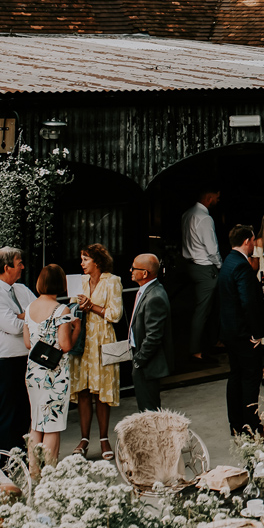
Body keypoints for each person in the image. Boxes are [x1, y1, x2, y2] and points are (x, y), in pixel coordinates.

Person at [0, 247, 38, 454]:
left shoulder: (22, 289)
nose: (22, 266)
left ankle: (19, 459)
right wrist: (26, 316)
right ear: (7, 267)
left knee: (23, 412)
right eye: (19, 262)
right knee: (3, 414)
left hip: (26, 360)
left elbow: (39, 313)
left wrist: (23, 316)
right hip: (3, 363)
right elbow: (14, 326)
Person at [23, 264, 81, 475]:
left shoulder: (29, 309)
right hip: (54, 374)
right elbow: (65, 345)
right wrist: (77, 330)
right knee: (52, 424)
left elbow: (28, 343)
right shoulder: (62, 310)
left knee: (36, 422)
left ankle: (34, 472)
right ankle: (49, 474)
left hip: (33, 371)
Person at [69, 244, 123, 462]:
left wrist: (92, 307)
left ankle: (103, 438)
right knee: (83, 390)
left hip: (102, 339)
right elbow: (71, 310)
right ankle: (84, 440)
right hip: (83, 340)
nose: (81, 263)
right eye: (81, 259)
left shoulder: (113, 281)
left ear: (97, 262)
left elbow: (115, 314)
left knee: (102, 392)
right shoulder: (78, 281)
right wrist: (78, 308)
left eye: (85, 259)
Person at [218, 224, 264, 435]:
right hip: (244, 334)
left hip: (229, 331)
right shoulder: (242, 266)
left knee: (235, 376)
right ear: (247, 241)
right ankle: (252, 426)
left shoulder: (228, 262)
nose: (254, 244)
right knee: (250, 379)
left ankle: (236, 425)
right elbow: (247, 302)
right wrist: (257, 333)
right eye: (253, 240)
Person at [182, 186, 221, 364]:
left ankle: (212, 341)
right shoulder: (204, 218)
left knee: (206, 307)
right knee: (202, 310)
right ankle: (196, 351)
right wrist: (220, 265)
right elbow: (212, 248)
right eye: (217, 197)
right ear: (209, 196)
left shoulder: (187, 214)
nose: (218, 201)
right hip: (205, 267)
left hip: (191, 265)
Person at [128, 254, 173, 412]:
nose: (130, 270)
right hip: (141, 358)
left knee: (148, 410)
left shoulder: (155, 297)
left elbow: (153, 336)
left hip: (147, 363)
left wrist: (139, 360)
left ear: (145, 273)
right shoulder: (147, 291)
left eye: (134, 268)